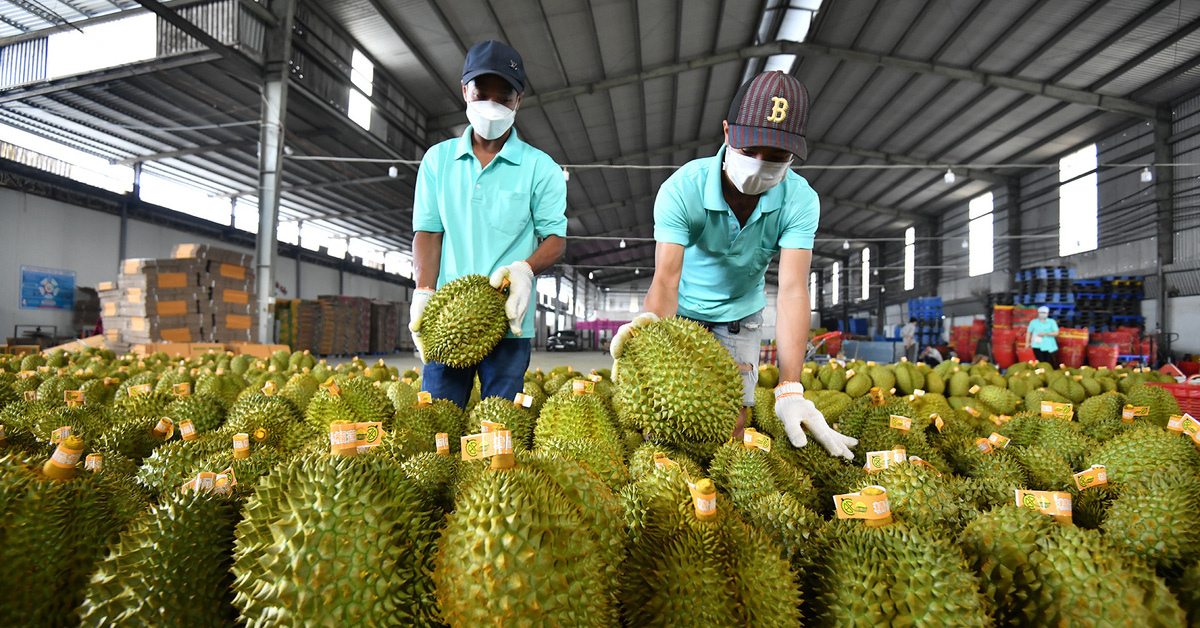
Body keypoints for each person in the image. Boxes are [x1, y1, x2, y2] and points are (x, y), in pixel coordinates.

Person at [610, 71, 857, 460]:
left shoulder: (800, 201)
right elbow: (666, 279)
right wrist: (649, 337)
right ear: (727, 132)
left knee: (734, 422)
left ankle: (718, 501)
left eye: (776, 157)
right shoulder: (682, 189)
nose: (760, 165)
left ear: (794, 155)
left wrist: (791, 387)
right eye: (750, 150)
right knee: (660, 415)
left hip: (741, 315)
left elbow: (792, 290)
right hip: (682, 314)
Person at [409, 40, 567, 410]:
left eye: (504, 97)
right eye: (482, 94)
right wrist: (423, 292)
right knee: (438, 423)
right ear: (465, 91)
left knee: (500, 430)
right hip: (447, 319)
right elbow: (428, 233)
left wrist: (525, 270)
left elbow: (555, 239)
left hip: (508, 322)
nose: (492, 106)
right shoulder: (438, 160)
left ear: (519, 101)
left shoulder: (540, 167)